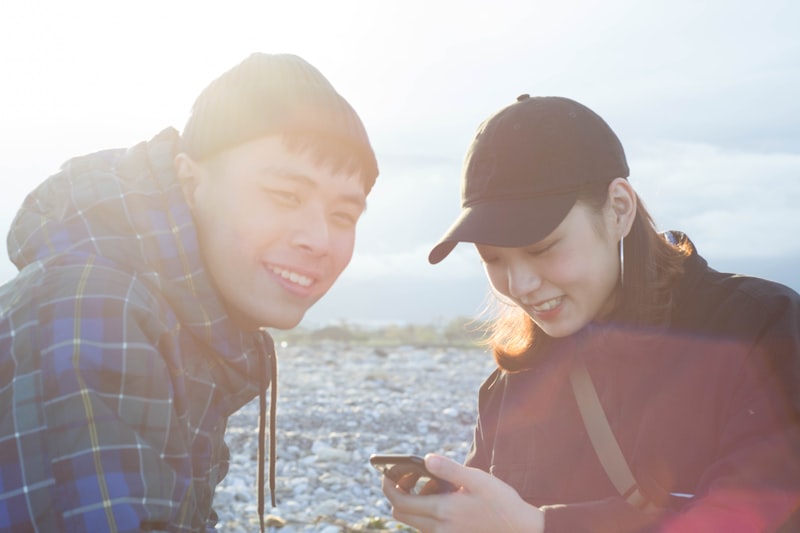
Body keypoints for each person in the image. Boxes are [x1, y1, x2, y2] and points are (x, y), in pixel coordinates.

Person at [380, 94, 800, 532]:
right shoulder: (512, 387)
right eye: (494, 259)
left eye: (541, 248)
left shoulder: (760, 328)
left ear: (619, 208)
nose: (519, 286)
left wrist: (538, 527)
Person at [0, 53, 378, 532]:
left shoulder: (187, 320)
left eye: (344, 215)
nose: (319, 239)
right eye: (286, 196)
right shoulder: (94, 306)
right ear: (190, 179)